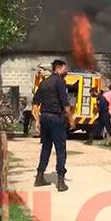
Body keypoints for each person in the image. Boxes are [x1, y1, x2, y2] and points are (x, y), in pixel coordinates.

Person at [32, 59, 74, 192]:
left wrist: (37, 120)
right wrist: (71, 119)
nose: (65, 71)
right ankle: (61, 181)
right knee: (60, 149)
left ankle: (39, 176)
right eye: (64, 68)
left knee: (46, 148)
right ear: (58, 68)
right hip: (56, 118)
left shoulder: (43, 83)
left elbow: (35, 103)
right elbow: (65, 103)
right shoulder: (60, 82)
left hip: (44, 117)